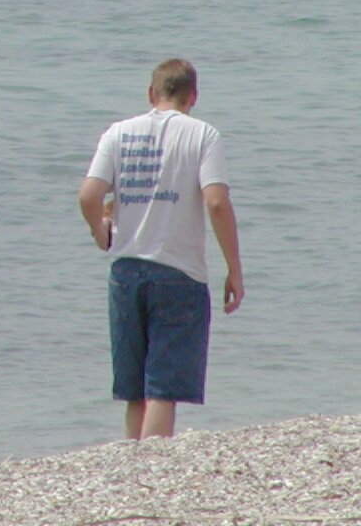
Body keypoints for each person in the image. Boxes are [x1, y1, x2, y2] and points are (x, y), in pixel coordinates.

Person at [78, 58, 245, 440]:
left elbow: (88, 195)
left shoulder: (118, 133)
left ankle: (133, 463)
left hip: (125, 271)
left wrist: (99, 231)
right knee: (163, 389)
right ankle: (154, 465)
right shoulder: (203, 135)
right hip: (178, 272)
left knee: (134, 390)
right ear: (193, 96)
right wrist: (233, 269)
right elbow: (216, 203)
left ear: (151, 93)